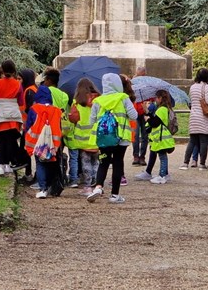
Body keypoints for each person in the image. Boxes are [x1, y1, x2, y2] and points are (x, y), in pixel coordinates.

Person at [87, 73, 138, 204]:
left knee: (103, 162)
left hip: (104, 138)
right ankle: (115, 195)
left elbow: (91, 120)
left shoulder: (98, 101)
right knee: (117, 163)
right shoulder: (123, 98)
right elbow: (134, 115)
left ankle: (98, 187)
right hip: (121, 137)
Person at [24, 85, 63, 199]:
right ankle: (51, 186)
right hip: (53, 143)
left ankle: (42, 188)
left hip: (37, 143)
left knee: (40, 164)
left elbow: (29, 125)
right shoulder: (57, 111)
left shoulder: (34, 109)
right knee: (50, 163)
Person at [0, 59, 25, 175]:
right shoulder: (18, 84)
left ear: (2, 70)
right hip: (13, 115)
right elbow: (21, 101)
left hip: (0, 114)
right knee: (10, 140)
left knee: (1, 140)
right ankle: (7, 165)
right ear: (14, 71)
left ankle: (0, 165)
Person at [181, 68, 208, 170]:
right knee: (203, 141)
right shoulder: (206, 87)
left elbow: (191, 102)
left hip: (194, 116)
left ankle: (185, 163)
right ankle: (202, 164)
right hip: (204, 117)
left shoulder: (192, 87)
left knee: (192, 141)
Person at [135, 89, 175, 184]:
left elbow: (155, 123)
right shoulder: (163, 109)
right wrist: (147, 113)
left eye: (156, 98)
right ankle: (164, 174)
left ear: (160, 98)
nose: (155, 100)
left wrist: (148, 118)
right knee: (161, 155)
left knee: (162, 156)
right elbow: (156, 120)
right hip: (159, 138)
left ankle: (162, 175)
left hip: (161, 138)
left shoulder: (162, 109)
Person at [68, 78, 100, 196]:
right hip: (97, 138)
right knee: (96, 162)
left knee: (86, 163)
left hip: (83, 140)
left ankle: (87, 187)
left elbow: (73, 119)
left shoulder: (76, 102)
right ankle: (97, 185)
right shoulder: (99, 101)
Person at [18, 68, 39, 181]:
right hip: (29, 125)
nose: (18, 81)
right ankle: (29, 173)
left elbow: (30, 108)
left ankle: (28, 174)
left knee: (26, 149)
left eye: (20, 79)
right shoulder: (33, 89)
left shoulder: (29, 91)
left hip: (29, 126)